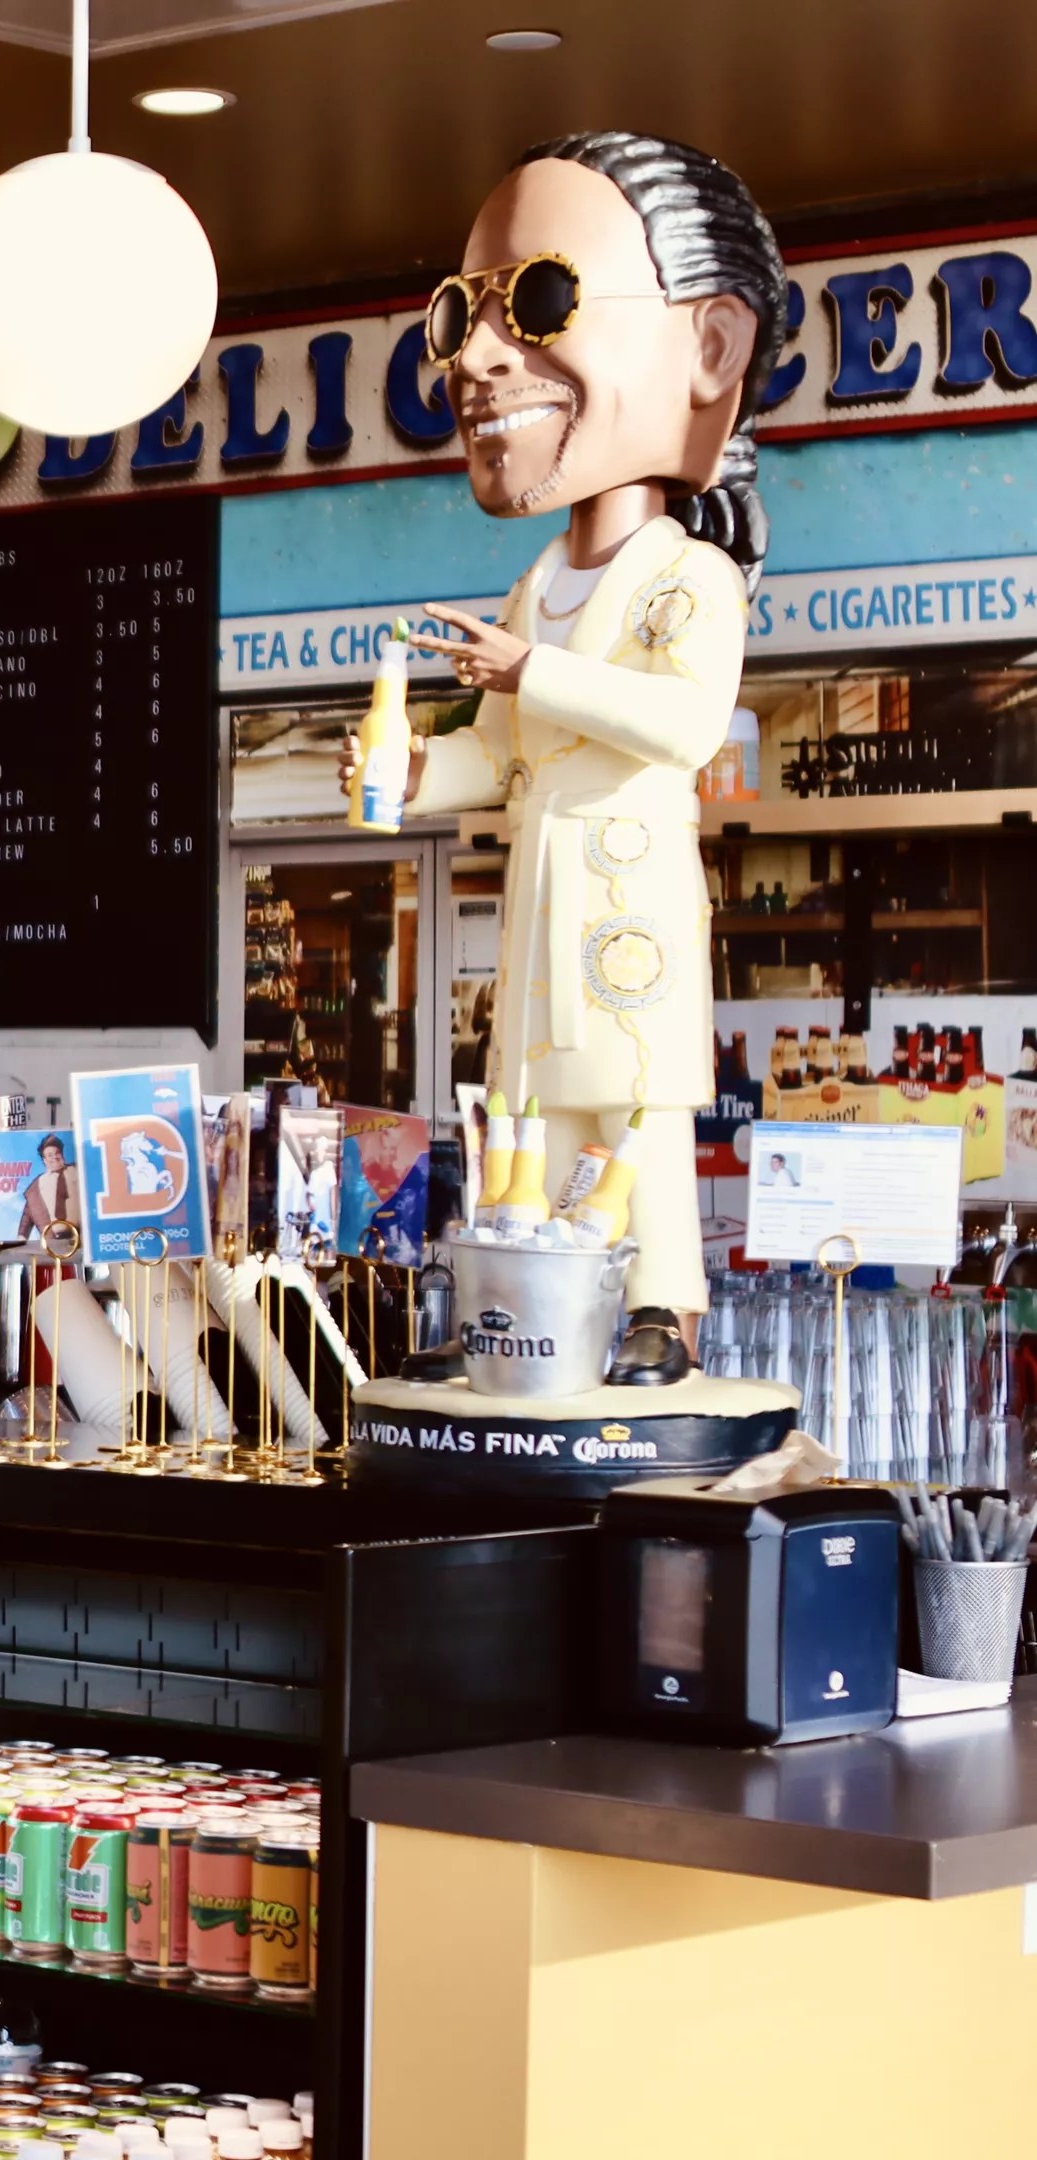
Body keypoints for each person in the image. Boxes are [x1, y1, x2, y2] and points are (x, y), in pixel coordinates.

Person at [360, 131, 781, 1330]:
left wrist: (531, 671)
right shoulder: (534, 586)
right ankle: (542, 1315)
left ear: (708, 347)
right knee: (537, 1118)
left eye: (540, 300)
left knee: (634, 1107)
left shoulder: (690, 577)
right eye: (457, 317)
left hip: (629, 905)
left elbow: (689, 724)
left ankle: (658, 1308)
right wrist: (412, 765)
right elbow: (500, 753)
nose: (480, 358)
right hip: (537, 910)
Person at [17, 1135, 79, 1243]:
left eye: (57, 1153)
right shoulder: (38, 1184)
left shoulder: (77, 1171)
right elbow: (27, 1213)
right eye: (50, 1155)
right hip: (53, 1240)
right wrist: (22, 1235)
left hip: (80, 1236)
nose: (55, 1157)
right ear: (44, 1160)